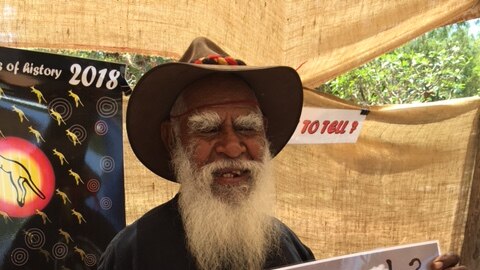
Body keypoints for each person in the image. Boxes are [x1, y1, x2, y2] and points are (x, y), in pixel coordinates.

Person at [98, 37, 467, 270]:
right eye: (208, 129)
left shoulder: (288, 246)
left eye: (247, 127)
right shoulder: (132, 255)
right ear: (172, 138)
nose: (232, 147)